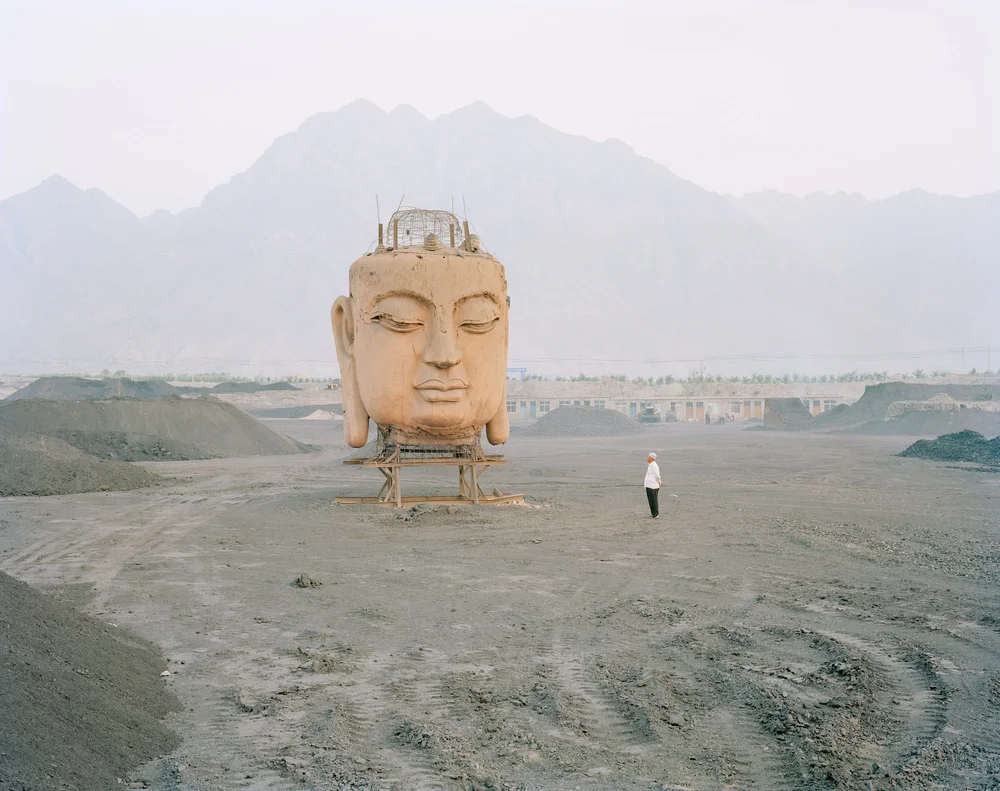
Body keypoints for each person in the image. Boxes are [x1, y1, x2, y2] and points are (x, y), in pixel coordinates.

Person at [644, 452, 661, 518]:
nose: (647, 458)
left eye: (648, 457)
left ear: (651, 458)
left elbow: (657, 475)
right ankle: (653, 513)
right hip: (649, 485)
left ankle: (656, 514)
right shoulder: (651, 465)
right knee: (651, 500)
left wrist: (659, 481)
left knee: (653, 500)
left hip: (653, 486)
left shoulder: (654, 465)